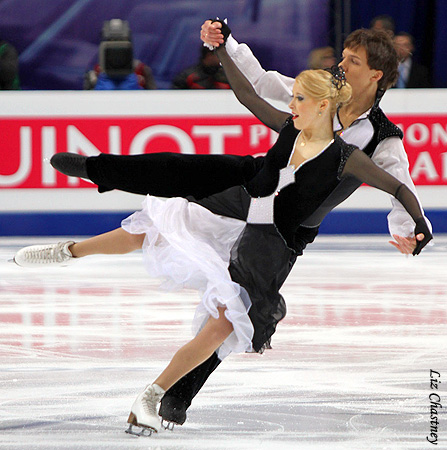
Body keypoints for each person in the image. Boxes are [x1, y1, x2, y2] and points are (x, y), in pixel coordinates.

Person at [14, 28, 432, 435]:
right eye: (342, 56)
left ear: (376, 74)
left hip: (283, 231)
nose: (341, 64)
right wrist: (226, 45)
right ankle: (85, 202)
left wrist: (413, 228)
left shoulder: (379, 139)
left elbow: (399, 185)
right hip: (255, 184)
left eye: (352, 61)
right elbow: (257, 88)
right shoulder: (314, 95)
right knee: (168, 198)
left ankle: (172, 396)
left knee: (234, 314)